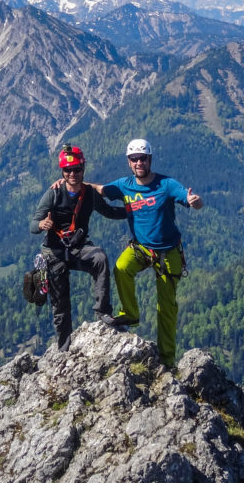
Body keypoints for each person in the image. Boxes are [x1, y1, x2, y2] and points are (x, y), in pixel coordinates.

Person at [99, 138, 203, 368]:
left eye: (142, 158)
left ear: (150, 159)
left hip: (168, 252)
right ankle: (130, 313)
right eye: (134, 159)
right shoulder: (123, 185)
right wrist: (68, 181)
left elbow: (186, 197)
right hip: (142, 248)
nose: (138, 163)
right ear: (128, 161)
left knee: (166, 308)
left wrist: (194, 201)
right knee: (121, 268)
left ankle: (167, 362)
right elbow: (99, 189)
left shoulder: (166, 184)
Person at [31, 144, 125, 351]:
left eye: (77, 170)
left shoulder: (90, 194)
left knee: (99, 258)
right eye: (68, 170)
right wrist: (41, 225)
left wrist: (135, 210)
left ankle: (103, 312)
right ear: (62, 172)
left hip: (78, 249)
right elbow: (33, 224)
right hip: (54, 253)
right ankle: (64, 349)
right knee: (60, 305)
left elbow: (109, 211)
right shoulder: (53, 194)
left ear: (83, 169)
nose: (72, 174)